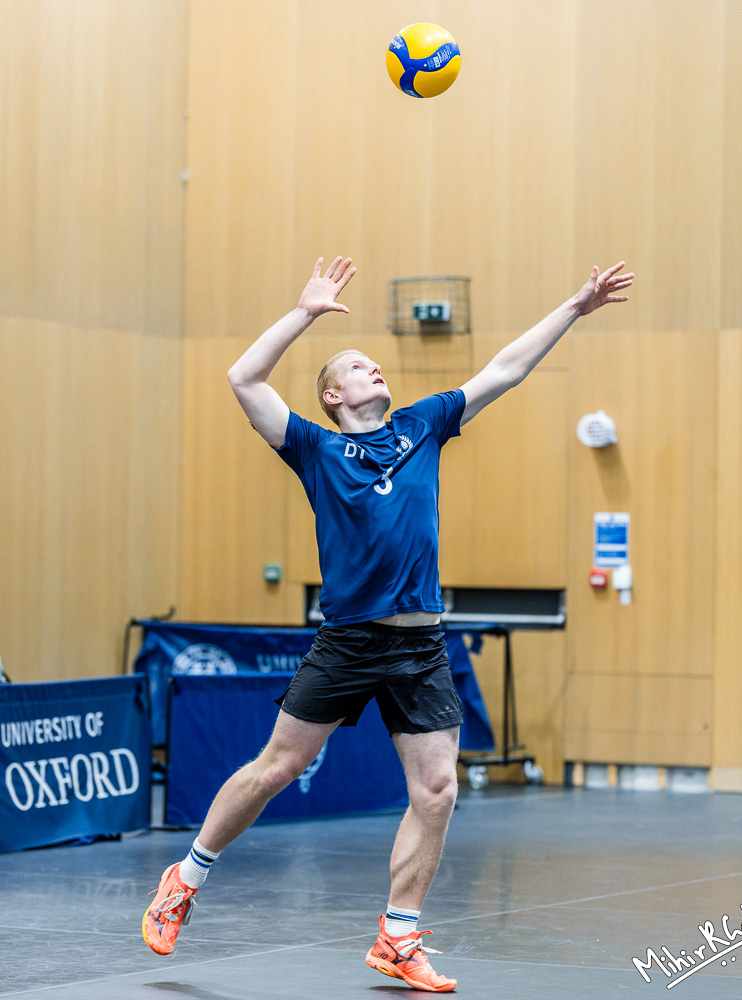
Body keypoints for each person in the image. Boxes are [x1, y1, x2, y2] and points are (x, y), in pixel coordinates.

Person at [142, 255, 634, 991]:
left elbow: (503, 370)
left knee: (437, 789)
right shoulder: (314, 448)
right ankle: (187, 875)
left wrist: (572, 307)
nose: (375, 368)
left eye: (376, 364)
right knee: (276, 768)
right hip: (348, 641)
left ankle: (397, 936)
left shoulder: (424, 426)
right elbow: (243, 379)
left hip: (421, 644)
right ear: (333, 394)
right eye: (357, 367)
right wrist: (305, 312)